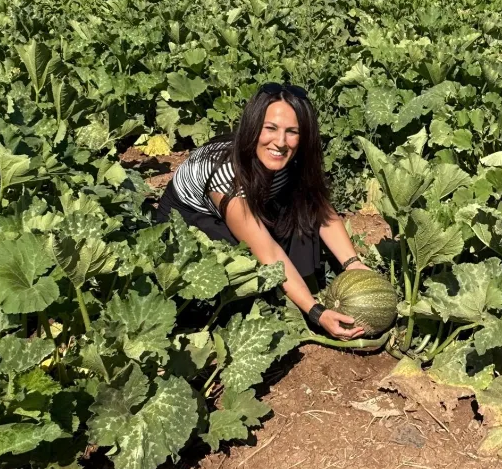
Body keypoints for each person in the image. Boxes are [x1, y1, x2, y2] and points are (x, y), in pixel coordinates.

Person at [156, 82, 367, 340]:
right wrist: (317, 313)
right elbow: (267, 250)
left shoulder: (295, 160)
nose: (280, 142)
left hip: (256, 199)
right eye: (270, 128)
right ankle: (281, 301)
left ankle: (295, 288)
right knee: (244, 258)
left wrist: (353, 264)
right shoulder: (227, 174)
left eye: (292, 132)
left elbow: (321, 210)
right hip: (190, 218)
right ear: (254, 127)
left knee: (302, 213)